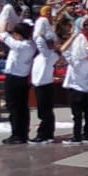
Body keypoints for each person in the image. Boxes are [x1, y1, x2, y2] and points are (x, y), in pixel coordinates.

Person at [0, 21, 36, 144]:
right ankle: (23, 133)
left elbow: (4, 36)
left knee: (14, 108)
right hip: (22, 78)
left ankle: (17, 134)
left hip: (14, 79)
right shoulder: (29, 44)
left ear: (19, 34)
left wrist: (3, 23)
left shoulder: (22, 46)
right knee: (22, 108)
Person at [29, 13, 64, 143]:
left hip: (44, 86)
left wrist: (40, 31)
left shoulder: (48, 54)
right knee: (45, 111)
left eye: (49, 42)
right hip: (41, 86)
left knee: (44, 112)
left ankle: (44, 134)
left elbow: (39, 41)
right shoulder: (47, 54)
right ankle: (48, 133)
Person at [62, 18, 88, 144]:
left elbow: (64, 50)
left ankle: (78, 136)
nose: (87, 27)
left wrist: (72, 38)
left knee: (80, 113)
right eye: (85, 25)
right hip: (82, 85)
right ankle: (85, 134)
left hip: (79, 86)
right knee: (85, 112)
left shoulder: (83, 42)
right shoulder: (87, 45)